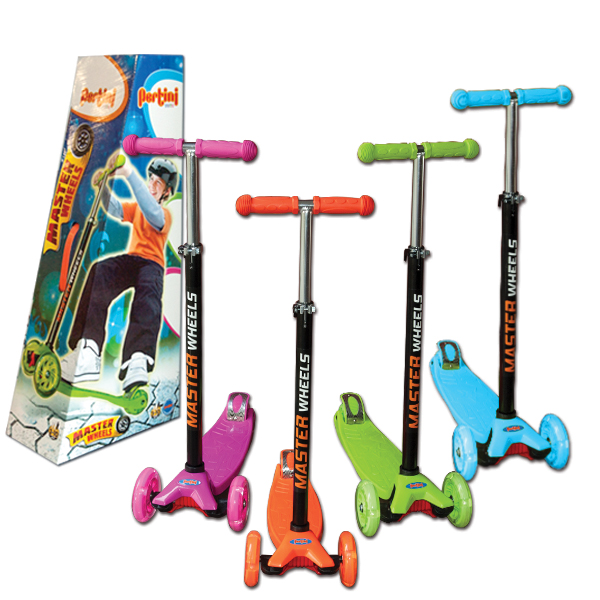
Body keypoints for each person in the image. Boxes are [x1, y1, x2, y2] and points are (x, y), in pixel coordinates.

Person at [61, 153, 177, 392]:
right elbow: (115, 208)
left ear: (166, 192)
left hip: (151, 264)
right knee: (100, 270)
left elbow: (153, 215)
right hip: (131, 259)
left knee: (148, 293)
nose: (152, 185)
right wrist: (103, 187)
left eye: (159, 183)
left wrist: (129, 174)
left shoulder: (164, 214)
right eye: (151, 179)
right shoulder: (137, 208)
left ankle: (137, 357)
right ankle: (89, 348)